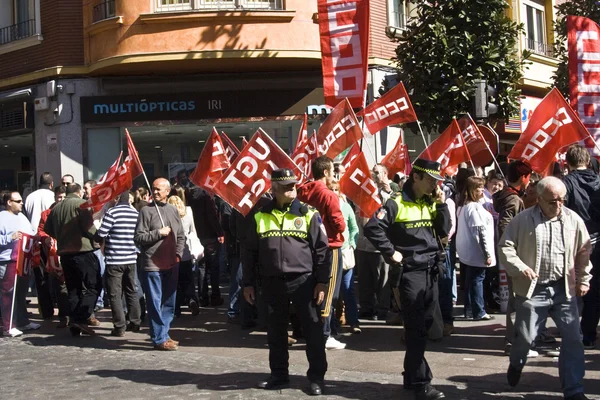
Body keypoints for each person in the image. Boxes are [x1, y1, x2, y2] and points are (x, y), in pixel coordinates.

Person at [364, 158, 451, 400]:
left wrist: (442, 205)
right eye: (431, 180)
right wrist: (391, 252)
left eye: (437, 181)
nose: (435, 184)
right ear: (416, 178)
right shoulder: (396, 203)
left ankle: (410, 375)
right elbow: (372, 228)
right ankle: (422, 382)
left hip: (432, 270)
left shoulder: (431, 201)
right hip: (411, 273)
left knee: (423, 326)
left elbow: (444, 230)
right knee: (416, 329)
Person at [500, 177, 592, 400]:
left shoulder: (573, 220)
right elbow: (505, 246)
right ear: (539, 199)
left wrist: (583, 279)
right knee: (525, 337)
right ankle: (516, 363)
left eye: (562, 200)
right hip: (534, 290)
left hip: (564, 289)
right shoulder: (523, 220)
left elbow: (583, 251)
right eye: (553, 201)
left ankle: (574, 390)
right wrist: (520, 267)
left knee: (573, 339)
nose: (558, 204)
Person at [243, 169, 330, 396]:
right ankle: (279, 375)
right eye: (286, 187)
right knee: (276, 332)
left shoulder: (309, 213)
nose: (292, 189)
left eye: (293, 185)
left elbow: (322, 250)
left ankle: (317, 378)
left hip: (304, 281)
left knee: (312, 330)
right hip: (271, 282)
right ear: (274, 189)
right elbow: (249, 252)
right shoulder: (260, 215)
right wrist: (248, 283)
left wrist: (322, 281)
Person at [297, 155, 347, 350]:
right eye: (332, 172)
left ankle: (313, 330)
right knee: (329, 291)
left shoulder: (302, 192)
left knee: (315, 289)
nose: (334, 175)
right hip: (330, 247)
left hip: (309, 247)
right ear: (325, 172)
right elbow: (339, 224)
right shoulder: (328, 195)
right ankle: (324, 334)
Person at [44, 183, 101, 336]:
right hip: (82, 251)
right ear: (78, 192)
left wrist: (61, 237)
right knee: (93, 285)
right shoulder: (80, 204)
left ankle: (75, 322)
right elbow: (89, 227)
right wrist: (99, 237)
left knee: (73, 289)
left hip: (65, 253)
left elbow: (47, 229)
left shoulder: (56, 208)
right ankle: (81, 319)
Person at [135, 178, 185, 351]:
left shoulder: (172, 210)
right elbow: (139, 238)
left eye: (158, 190)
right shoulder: (145, 211)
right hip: (152, 264)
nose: (155, 192)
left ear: (167, 191)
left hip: (171, 262)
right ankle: (159, 338)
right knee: (155, 302)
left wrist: (178, 254)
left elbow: (180, 236)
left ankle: (164, 333)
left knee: (169, 301)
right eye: (153, 189)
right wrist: (158, 233)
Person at [562, 144, 600, 350]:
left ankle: (572, 333)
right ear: (587, 160)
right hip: (597, 241)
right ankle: (588, 334)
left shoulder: (565, 183)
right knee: (594, 289)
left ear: (568, 162)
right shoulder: (598, 181)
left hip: (573, 242)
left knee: (570, 288)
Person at [493, 160, 532, 354]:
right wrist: (515, 248)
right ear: (524, 177)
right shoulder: (513, 199)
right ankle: (514, 341)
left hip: (512, 255)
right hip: (516, 256)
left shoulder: (509, 196)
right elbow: (504, 228)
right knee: (517, 299)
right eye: (529, 176)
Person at [94, 191, 141, 336]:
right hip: (131, 258)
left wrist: (98, 236)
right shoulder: (135, 213)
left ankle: (120, 326)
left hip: (115, 259)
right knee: (131, 291)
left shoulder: (112, 213)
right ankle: (135, 321)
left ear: (117, 198)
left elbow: (101, 233)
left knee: (114, 294)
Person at [0, 191, 40, 337]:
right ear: (9, 202)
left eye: (21, 201)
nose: (22, 203)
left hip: (23, 260)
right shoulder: (2, 217)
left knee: (21, 293)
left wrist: (36, 238)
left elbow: (29, 233)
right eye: (18, 201)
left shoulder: (22, 217)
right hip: (8, 260)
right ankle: (7, 326)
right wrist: (9, 237)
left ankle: (23, 321)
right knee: (8, 293)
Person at [457, 176, 496, 321]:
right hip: (476, 252)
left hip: (468, 252)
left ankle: (470, 310)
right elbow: (480, 232)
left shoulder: (464, 206)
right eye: (480, 187)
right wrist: (486, 253)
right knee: (477, 281)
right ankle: (478, 311)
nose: (482, 190)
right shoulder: (473, 208)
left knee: (470, 281)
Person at [329, 180, 360, 334]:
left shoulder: (346, 207)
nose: (334, 191)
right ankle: (332, 325)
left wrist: (352, 244)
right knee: (332, 292)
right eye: (331, 189)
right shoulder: (323, 207)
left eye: (336, 189)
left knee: (348, 290)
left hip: (345, 252)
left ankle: (353, 321)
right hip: (330, 253)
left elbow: (354, 228)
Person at [24, 172, 56, 319]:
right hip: (50, 241)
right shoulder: (52, 196)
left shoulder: (30, 197)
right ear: (51, 184)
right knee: (55, 275)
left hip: (35, 241)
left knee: (40, 277)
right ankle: (57, 306)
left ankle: (46, 310)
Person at [38, 185, 70, 328]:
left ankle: (83, 316)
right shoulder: (47, 213)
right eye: (59, 197)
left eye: (64, 197)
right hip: (54, 255)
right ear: (55, 197)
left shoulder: (72, 210)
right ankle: (64, 316)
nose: (61, 200)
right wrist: (45, 238)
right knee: (59, 286)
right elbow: (41, 230)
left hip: (70, 252)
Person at [167, 194, 200, 317]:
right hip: (186, 251)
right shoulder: (189, 211)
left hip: (172, 252)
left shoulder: (168, 215)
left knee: (174, 282)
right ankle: (191, 299)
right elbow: (193, 230)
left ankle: (177, 308)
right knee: (188, 279)